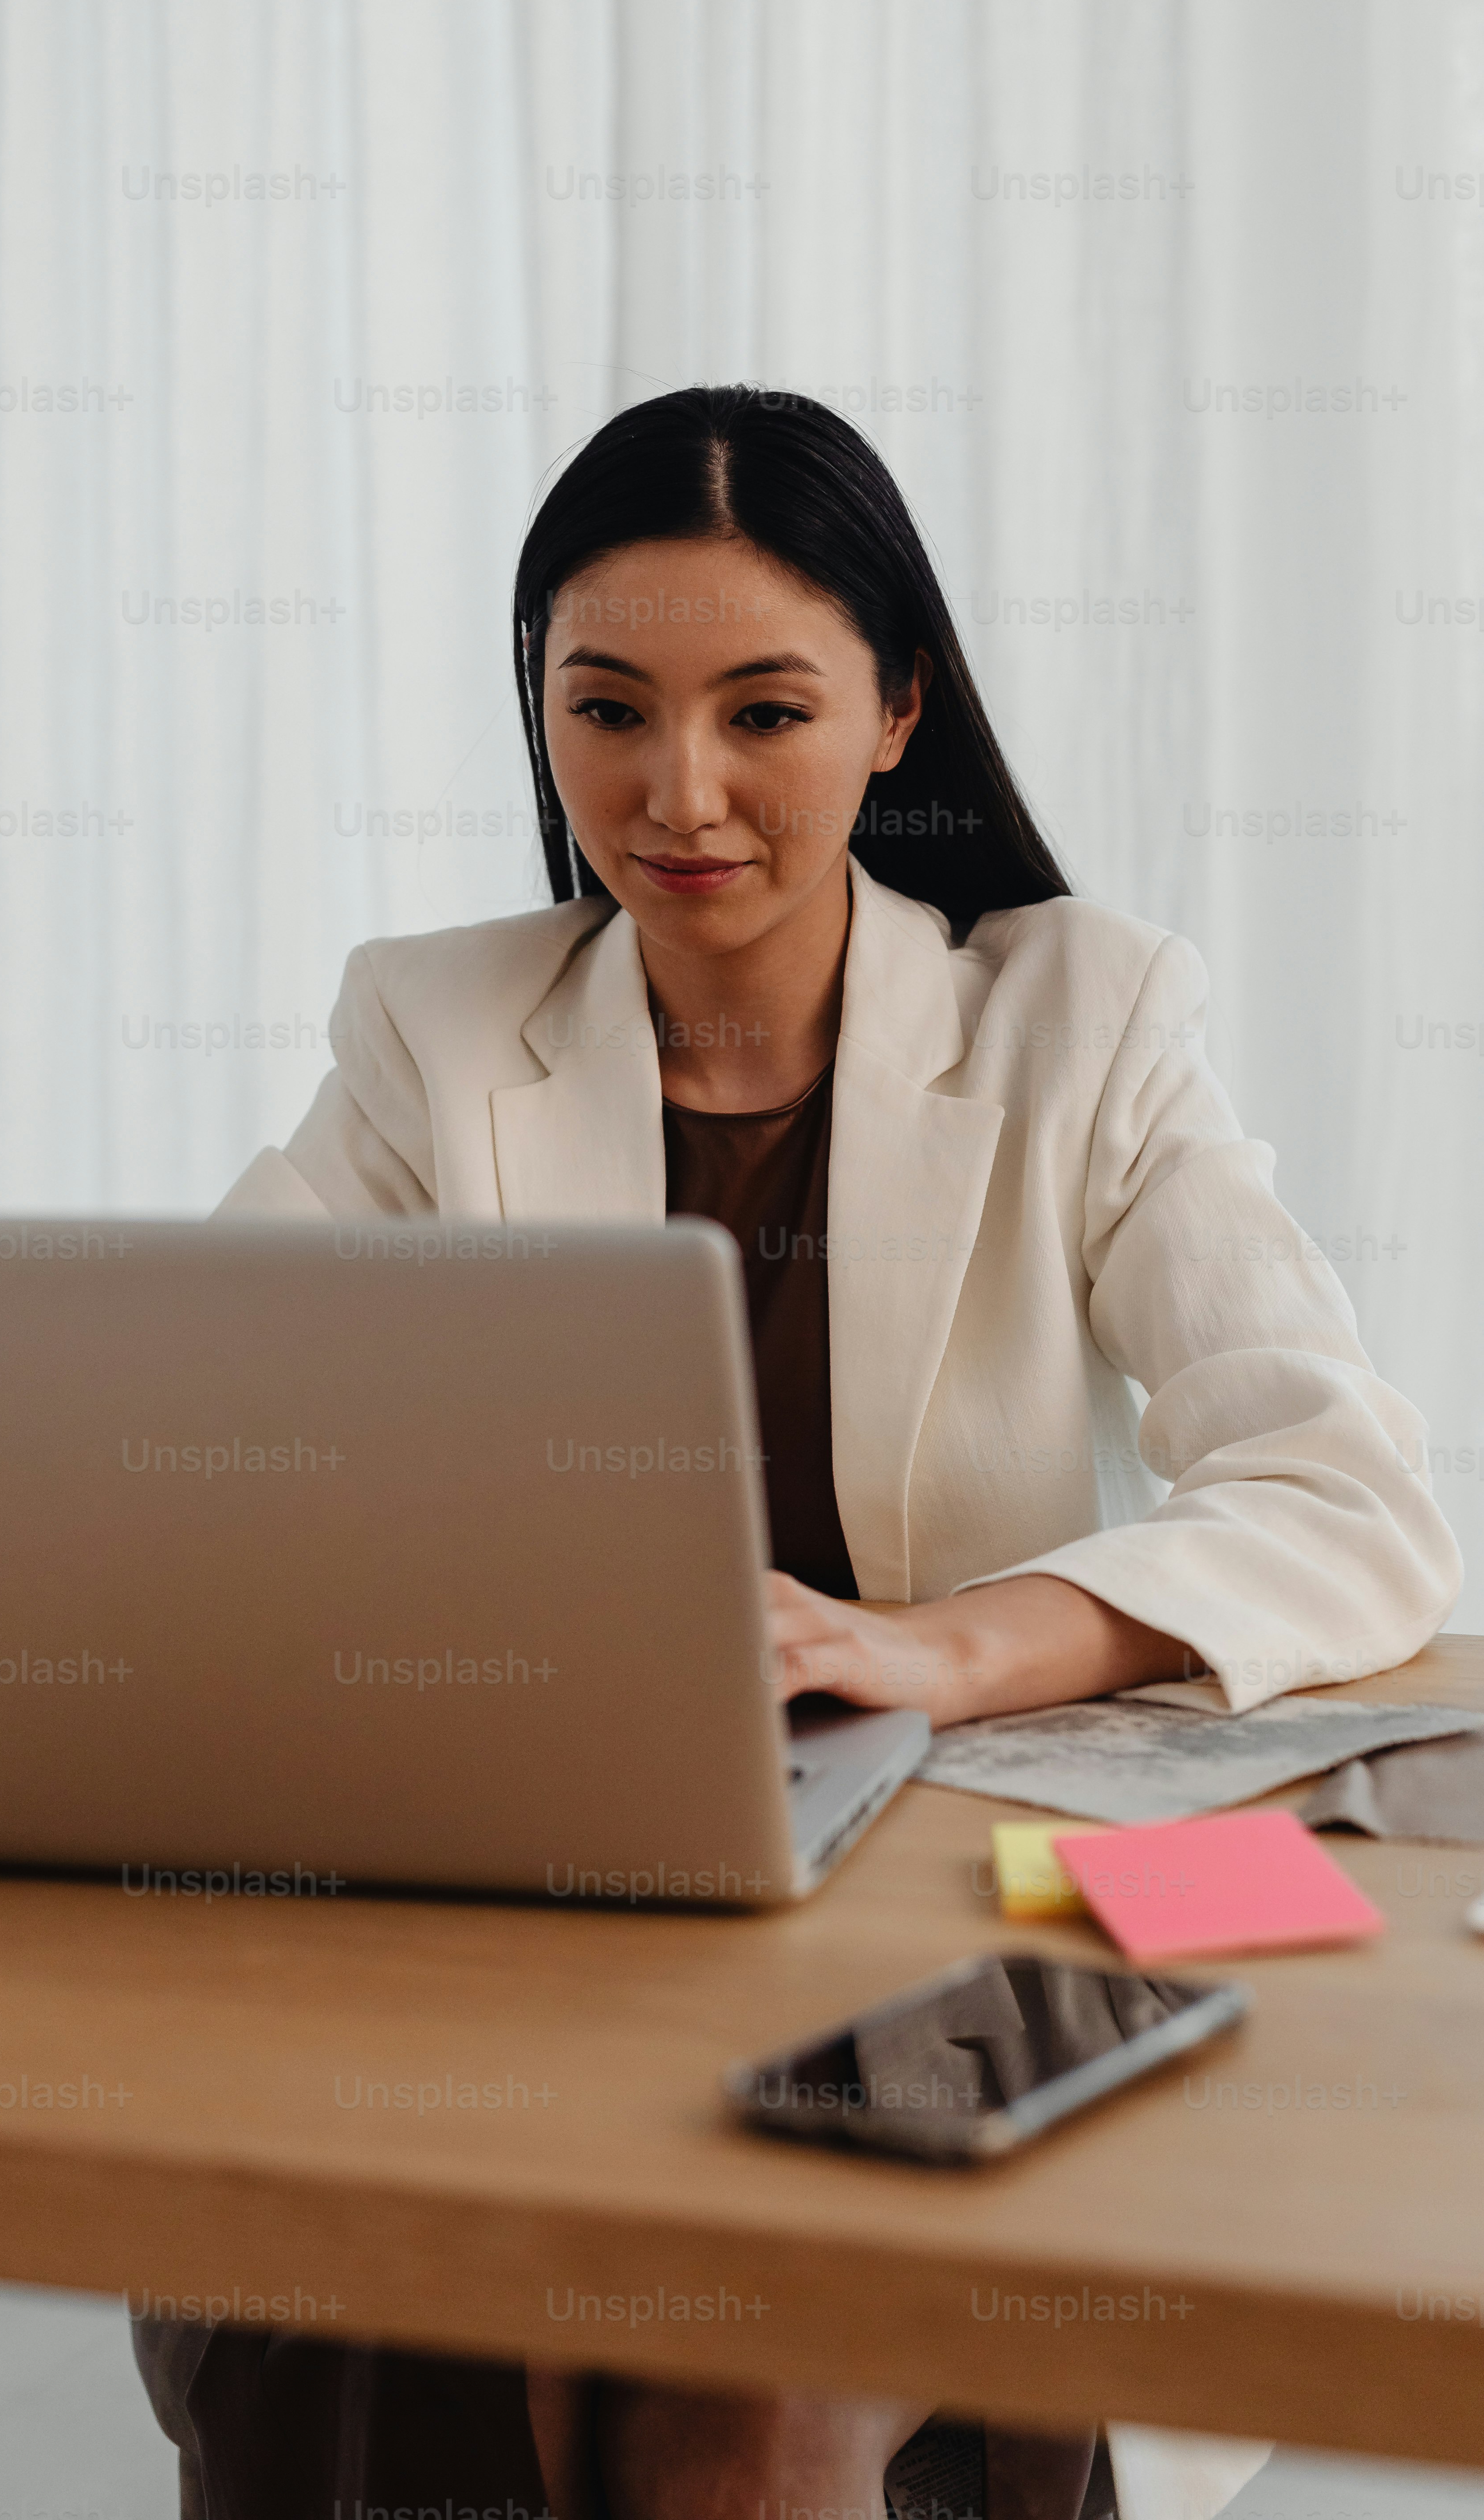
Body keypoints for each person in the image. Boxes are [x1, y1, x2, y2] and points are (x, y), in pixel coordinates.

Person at [133, 387, 1459, 2520]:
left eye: (764, 710)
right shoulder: (435, 1027)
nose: (676, 792)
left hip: (948, 1934)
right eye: (606, 709)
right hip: (528, 1917)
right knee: (449, 2324)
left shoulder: (1077, 1021)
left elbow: (1343, 1499)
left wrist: (934, 1649)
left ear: (894, 709)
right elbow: (178, 1425)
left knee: (747, 2402)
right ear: (540, 715)